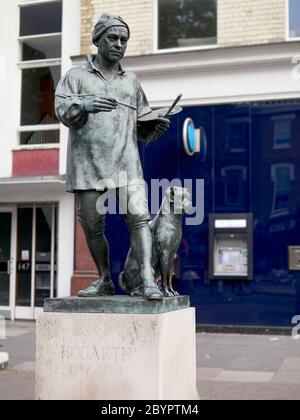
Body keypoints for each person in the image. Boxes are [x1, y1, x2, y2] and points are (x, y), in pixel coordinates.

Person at [55, 14, 170, 300]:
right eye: (113, 38)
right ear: (98, 40)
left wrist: (154, 126)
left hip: (126, 163)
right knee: (92, 226)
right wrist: (85, 103)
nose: (119, 45)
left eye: (124, 40)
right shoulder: (76, 77)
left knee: (139, 219)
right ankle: (105, 278)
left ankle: (147, 280)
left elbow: (141, 124)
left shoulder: (131, 81)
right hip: (88, 165)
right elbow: (62, 111)